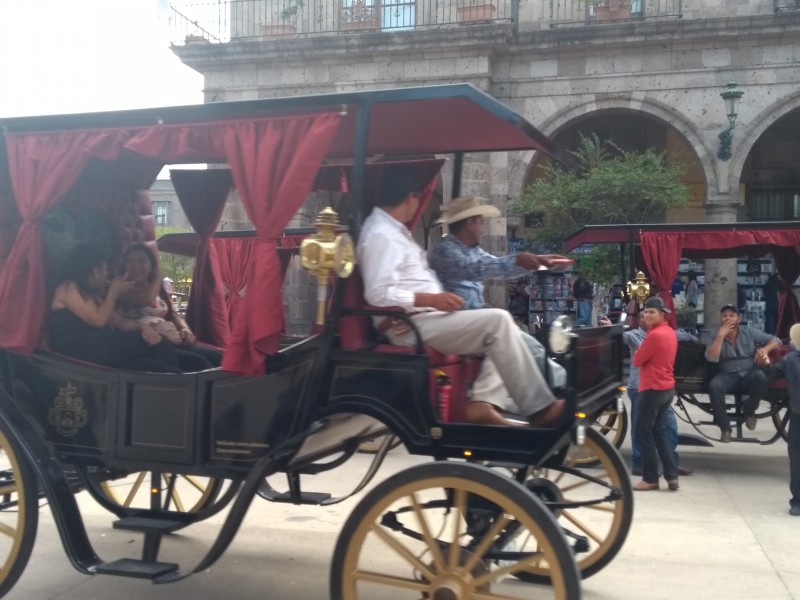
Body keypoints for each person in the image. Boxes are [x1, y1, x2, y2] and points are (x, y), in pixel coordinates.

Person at [356, 165, 566, 427]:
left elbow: (494, 265)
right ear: (411, 197)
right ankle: (539, 407)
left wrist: (532, 262)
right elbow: (378, 292)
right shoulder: (382, 235)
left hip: (427, 318)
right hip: (408, 325)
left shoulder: (393, 231)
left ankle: (484, 402)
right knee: (497, 322)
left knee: (502, 327)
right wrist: (431, 300)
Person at [427, 195, 572, 388]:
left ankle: (554, 382)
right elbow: (478, 267)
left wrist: (538, 260)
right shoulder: (445, 250)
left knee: (524, 341)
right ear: (469, 223)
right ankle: (559, 384)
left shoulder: (472, 250)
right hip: (457, 324)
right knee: (517, 338)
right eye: (480, 223)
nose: (483, 229)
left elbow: (497, 266)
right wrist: (520, 259)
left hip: (474, 320)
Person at [48, 244, 184, 372]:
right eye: (106, 269)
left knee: (145, 362)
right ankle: (177, 389)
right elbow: (98, 321)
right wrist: (113, 292)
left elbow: (120, 322)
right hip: (78, 346)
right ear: (96, 270)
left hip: (99, 344)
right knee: (161, 344)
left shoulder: (92, 293)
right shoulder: (68, 287)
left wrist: (143, 328)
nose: (107, 275)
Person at [601, 311, 695, 477]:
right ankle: (639, 463)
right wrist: (611, 327)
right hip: (638, 387)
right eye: (643, 316)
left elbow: (685, 336)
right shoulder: (634, 335)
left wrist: (699, 340)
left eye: (650, 314)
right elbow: (621, 338)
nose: (646, 318)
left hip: (659, 387)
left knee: (669, 426)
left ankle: (671, 463)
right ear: (638, 321)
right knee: (641, 427)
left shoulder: (664, 333)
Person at [116, 244, 222, 371]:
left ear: (151, 265)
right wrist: (158, 278)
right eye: (130, 261)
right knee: (200, 363)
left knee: (220, 358)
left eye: (142, 261)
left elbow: (173, 313)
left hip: (174, 339)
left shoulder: (155, 287)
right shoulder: (120, 287)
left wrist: (185, 329)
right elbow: (142, 300)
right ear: (124, 265)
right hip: (149, 344)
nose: (136, 266)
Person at [704, 304, 782, 443]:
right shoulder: (713, 333)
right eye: (725, 316)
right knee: (714, 386)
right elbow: (712, 357)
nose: (728, 318)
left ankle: (749, 411)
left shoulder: (748, 331)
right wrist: (721, 336)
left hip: (748, 373)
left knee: (761, 377)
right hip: (727, 374)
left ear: (738, 319)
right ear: (720, 319)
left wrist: (765, 350)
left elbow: (776, 340)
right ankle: (725, 428)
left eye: (732, 316)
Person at [631, 296, 679, 491]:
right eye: (646, 312)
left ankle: (650, 477)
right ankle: (671, 475)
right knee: (659, 433)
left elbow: (637, 359)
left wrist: (639, 351)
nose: (647, 315)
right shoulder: (669, 332)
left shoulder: (655, 335)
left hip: (653, 387)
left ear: (662, 314)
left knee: (643, 432)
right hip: (666, 387)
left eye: (651, 312)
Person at [770, 323, 800, 516]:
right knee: (796, 459)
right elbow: (772, 372)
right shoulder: (790, 360)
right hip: (798, 414)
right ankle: (797, 500)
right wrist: (764, 362)